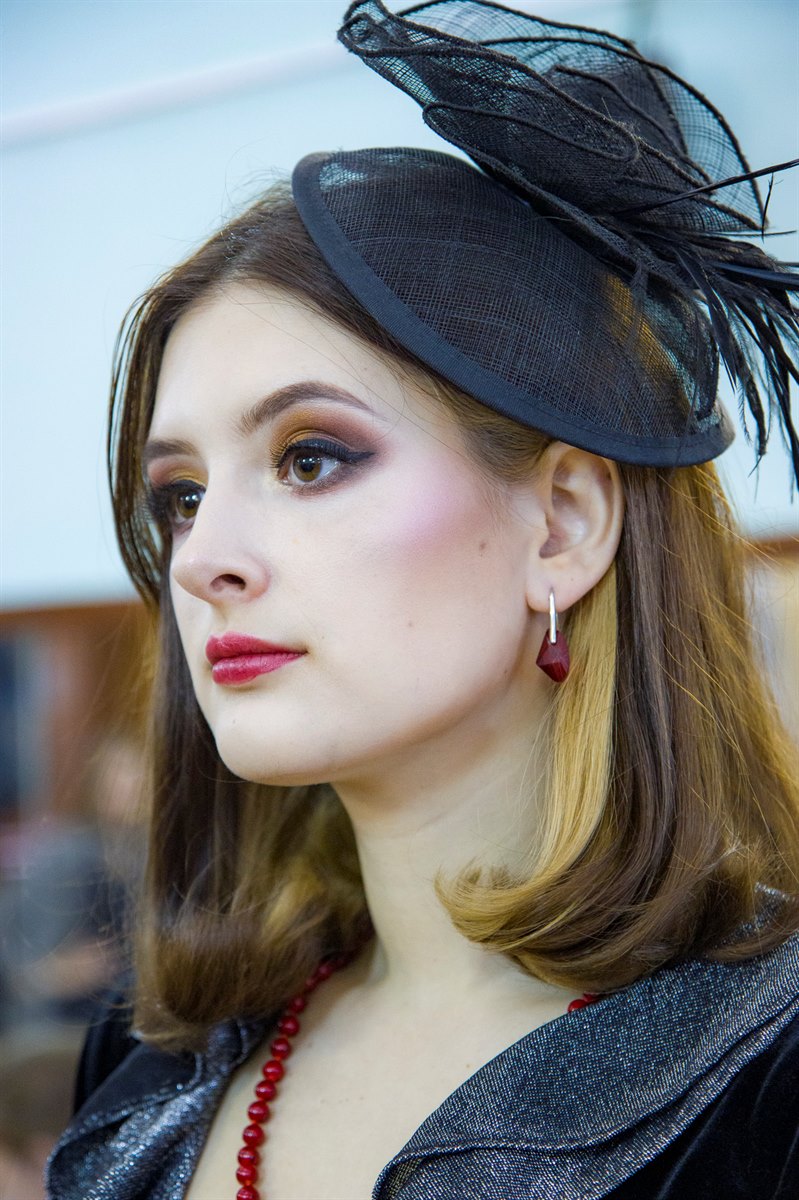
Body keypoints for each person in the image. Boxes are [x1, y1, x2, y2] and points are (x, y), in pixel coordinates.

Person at [47, 2, 799, 1198]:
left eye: (310, 459)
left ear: (562, 524)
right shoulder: (152, 1066)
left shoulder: (768, 1081)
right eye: (180, 496)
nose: (202, 559)